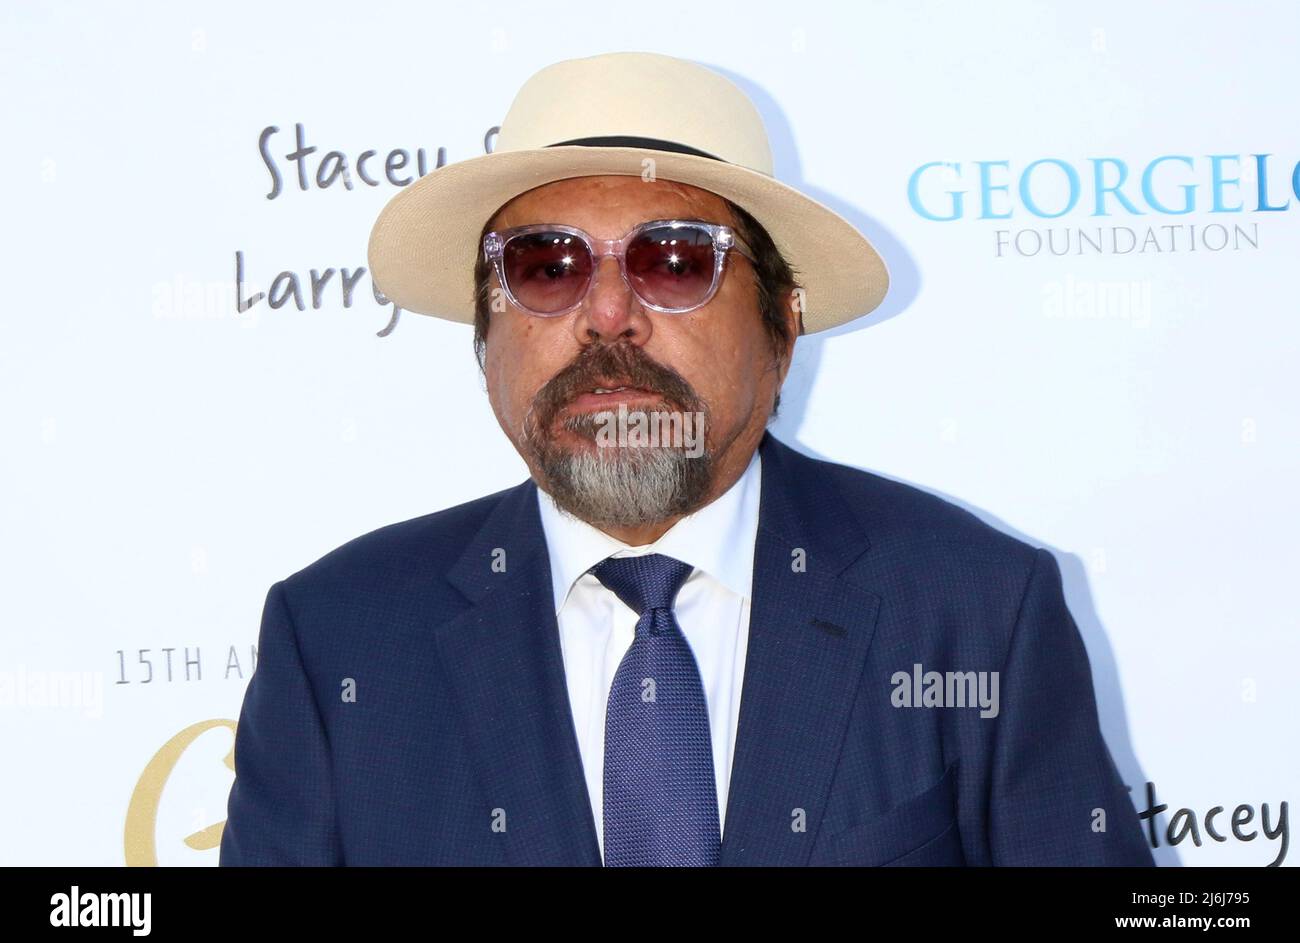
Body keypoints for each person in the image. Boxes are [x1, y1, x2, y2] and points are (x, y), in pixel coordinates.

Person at [220, 51, 1154, 866]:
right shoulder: (339, 637)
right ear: (483, 334)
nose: (608, 315)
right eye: (547, 267)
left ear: (782, 324)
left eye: (674, 261)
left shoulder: (972, 609)